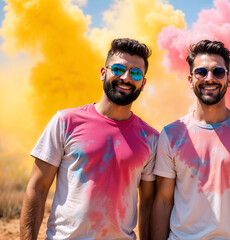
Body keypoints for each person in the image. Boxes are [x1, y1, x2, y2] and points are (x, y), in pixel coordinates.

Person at [20, 38, 158, 239]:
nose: (126, 78)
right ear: (104, 73)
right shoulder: (66, 121)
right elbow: (37, 187)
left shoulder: (151, 138)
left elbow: (148, 202)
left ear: (143, 83)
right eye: (118, 69)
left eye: (136, 73)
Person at [151, 39, 230, 240]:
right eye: (201, 72)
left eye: (218, 72)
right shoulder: (171, 134)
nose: (210, 78)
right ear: (191, 79)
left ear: (229, 78)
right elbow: (163, 201)